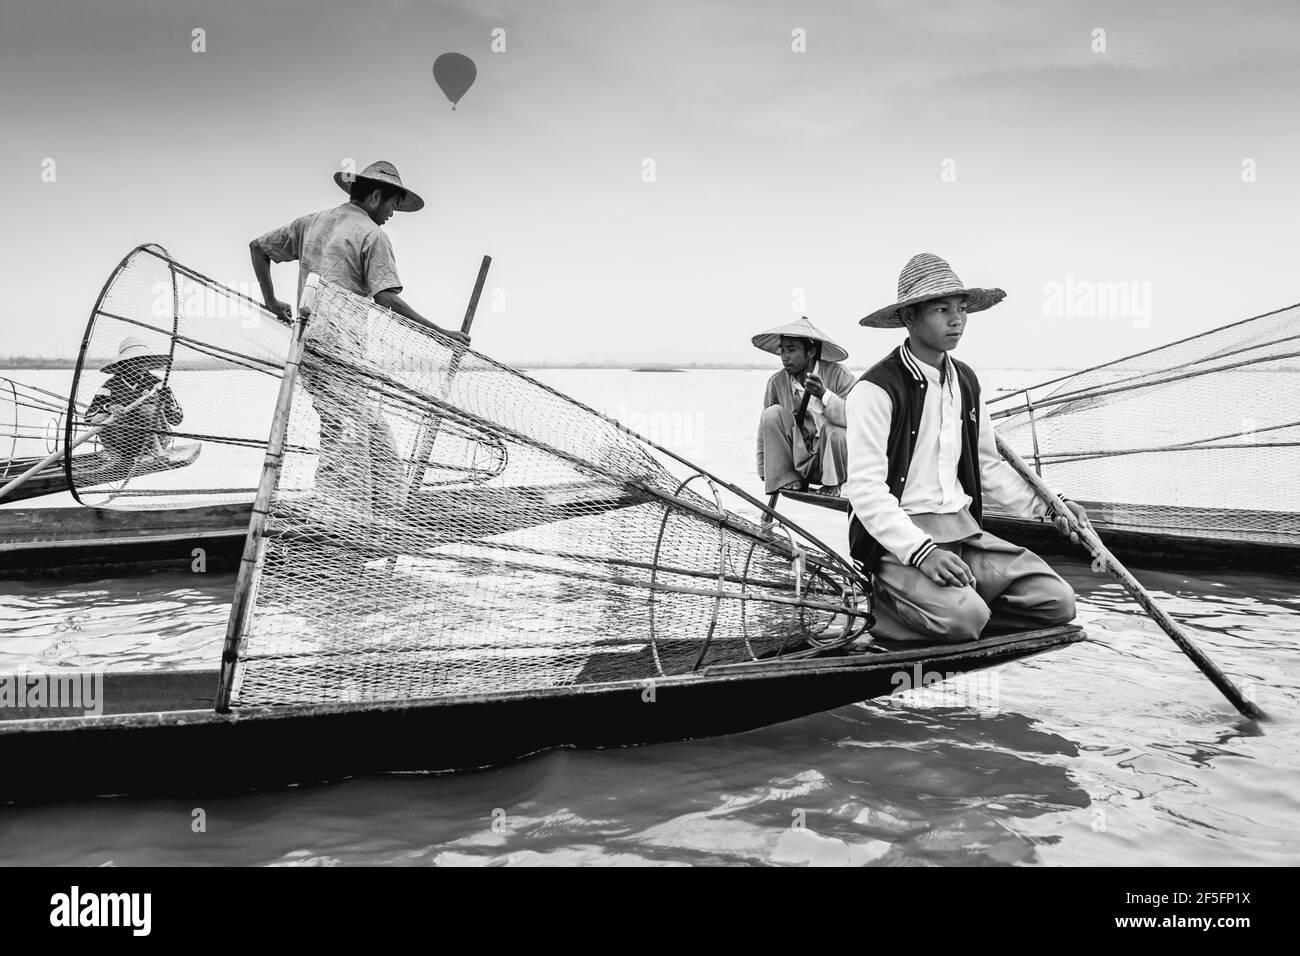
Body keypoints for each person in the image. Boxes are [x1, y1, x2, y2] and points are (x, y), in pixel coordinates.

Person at [846, 253, 1089, 644]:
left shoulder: (966, 381)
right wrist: (922, 553)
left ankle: (959, 614)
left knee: (1056, 601)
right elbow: (865, 491)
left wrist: (1051, 505)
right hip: (899, 537)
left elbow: (987, 466)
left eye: (961, 309)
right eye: (941, 309)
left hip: (961, 527)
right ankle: (895, 605)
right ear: (909, 317)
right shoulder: (876, 390)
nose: (956, 319)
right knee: (962, 618)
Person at [248, 160, 465, 510]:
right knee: (345, 434)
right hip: (338, 347)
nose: (393, 213)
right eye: (393, 204)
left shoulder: (312, 222)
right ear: (377, 196)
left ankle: (391, 509)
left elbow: (258, 248)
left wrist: (271, 300)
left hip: (308, 344)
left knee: (370, 432)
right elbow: (386, 297)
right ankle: (332, 518)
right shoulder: (372, 234)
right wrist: (440, 334)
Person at [754, 317, 855, 497]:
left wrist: (824, 394)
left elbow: (857, 419)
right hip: (801, 459)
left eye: (791, 350)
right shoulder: (777, 382)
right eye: (783, 350)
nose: (785, 357)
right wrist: (764, 469)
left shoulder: (840, 376)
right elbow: (765, 429)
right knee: (772, 414)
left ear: (811, 352)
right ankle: (788, 478)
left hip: (834, 462)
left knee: (834, 430)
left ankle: (832, 485)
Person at [86, 336, 183, 466]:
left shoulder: (158, 383)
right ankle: (115, 455)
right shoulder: (109, 386)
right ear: (123, 364)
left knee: (147, 408)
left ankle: (157, 452)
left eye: (144, 360)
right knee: (99, 418)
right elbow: (88, 417)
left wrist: (161, 403)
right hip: (124, 443)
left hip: (158, 439)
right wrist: (109, 407)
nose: (141, 365)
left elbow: (177, 418)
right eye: (135, 361)